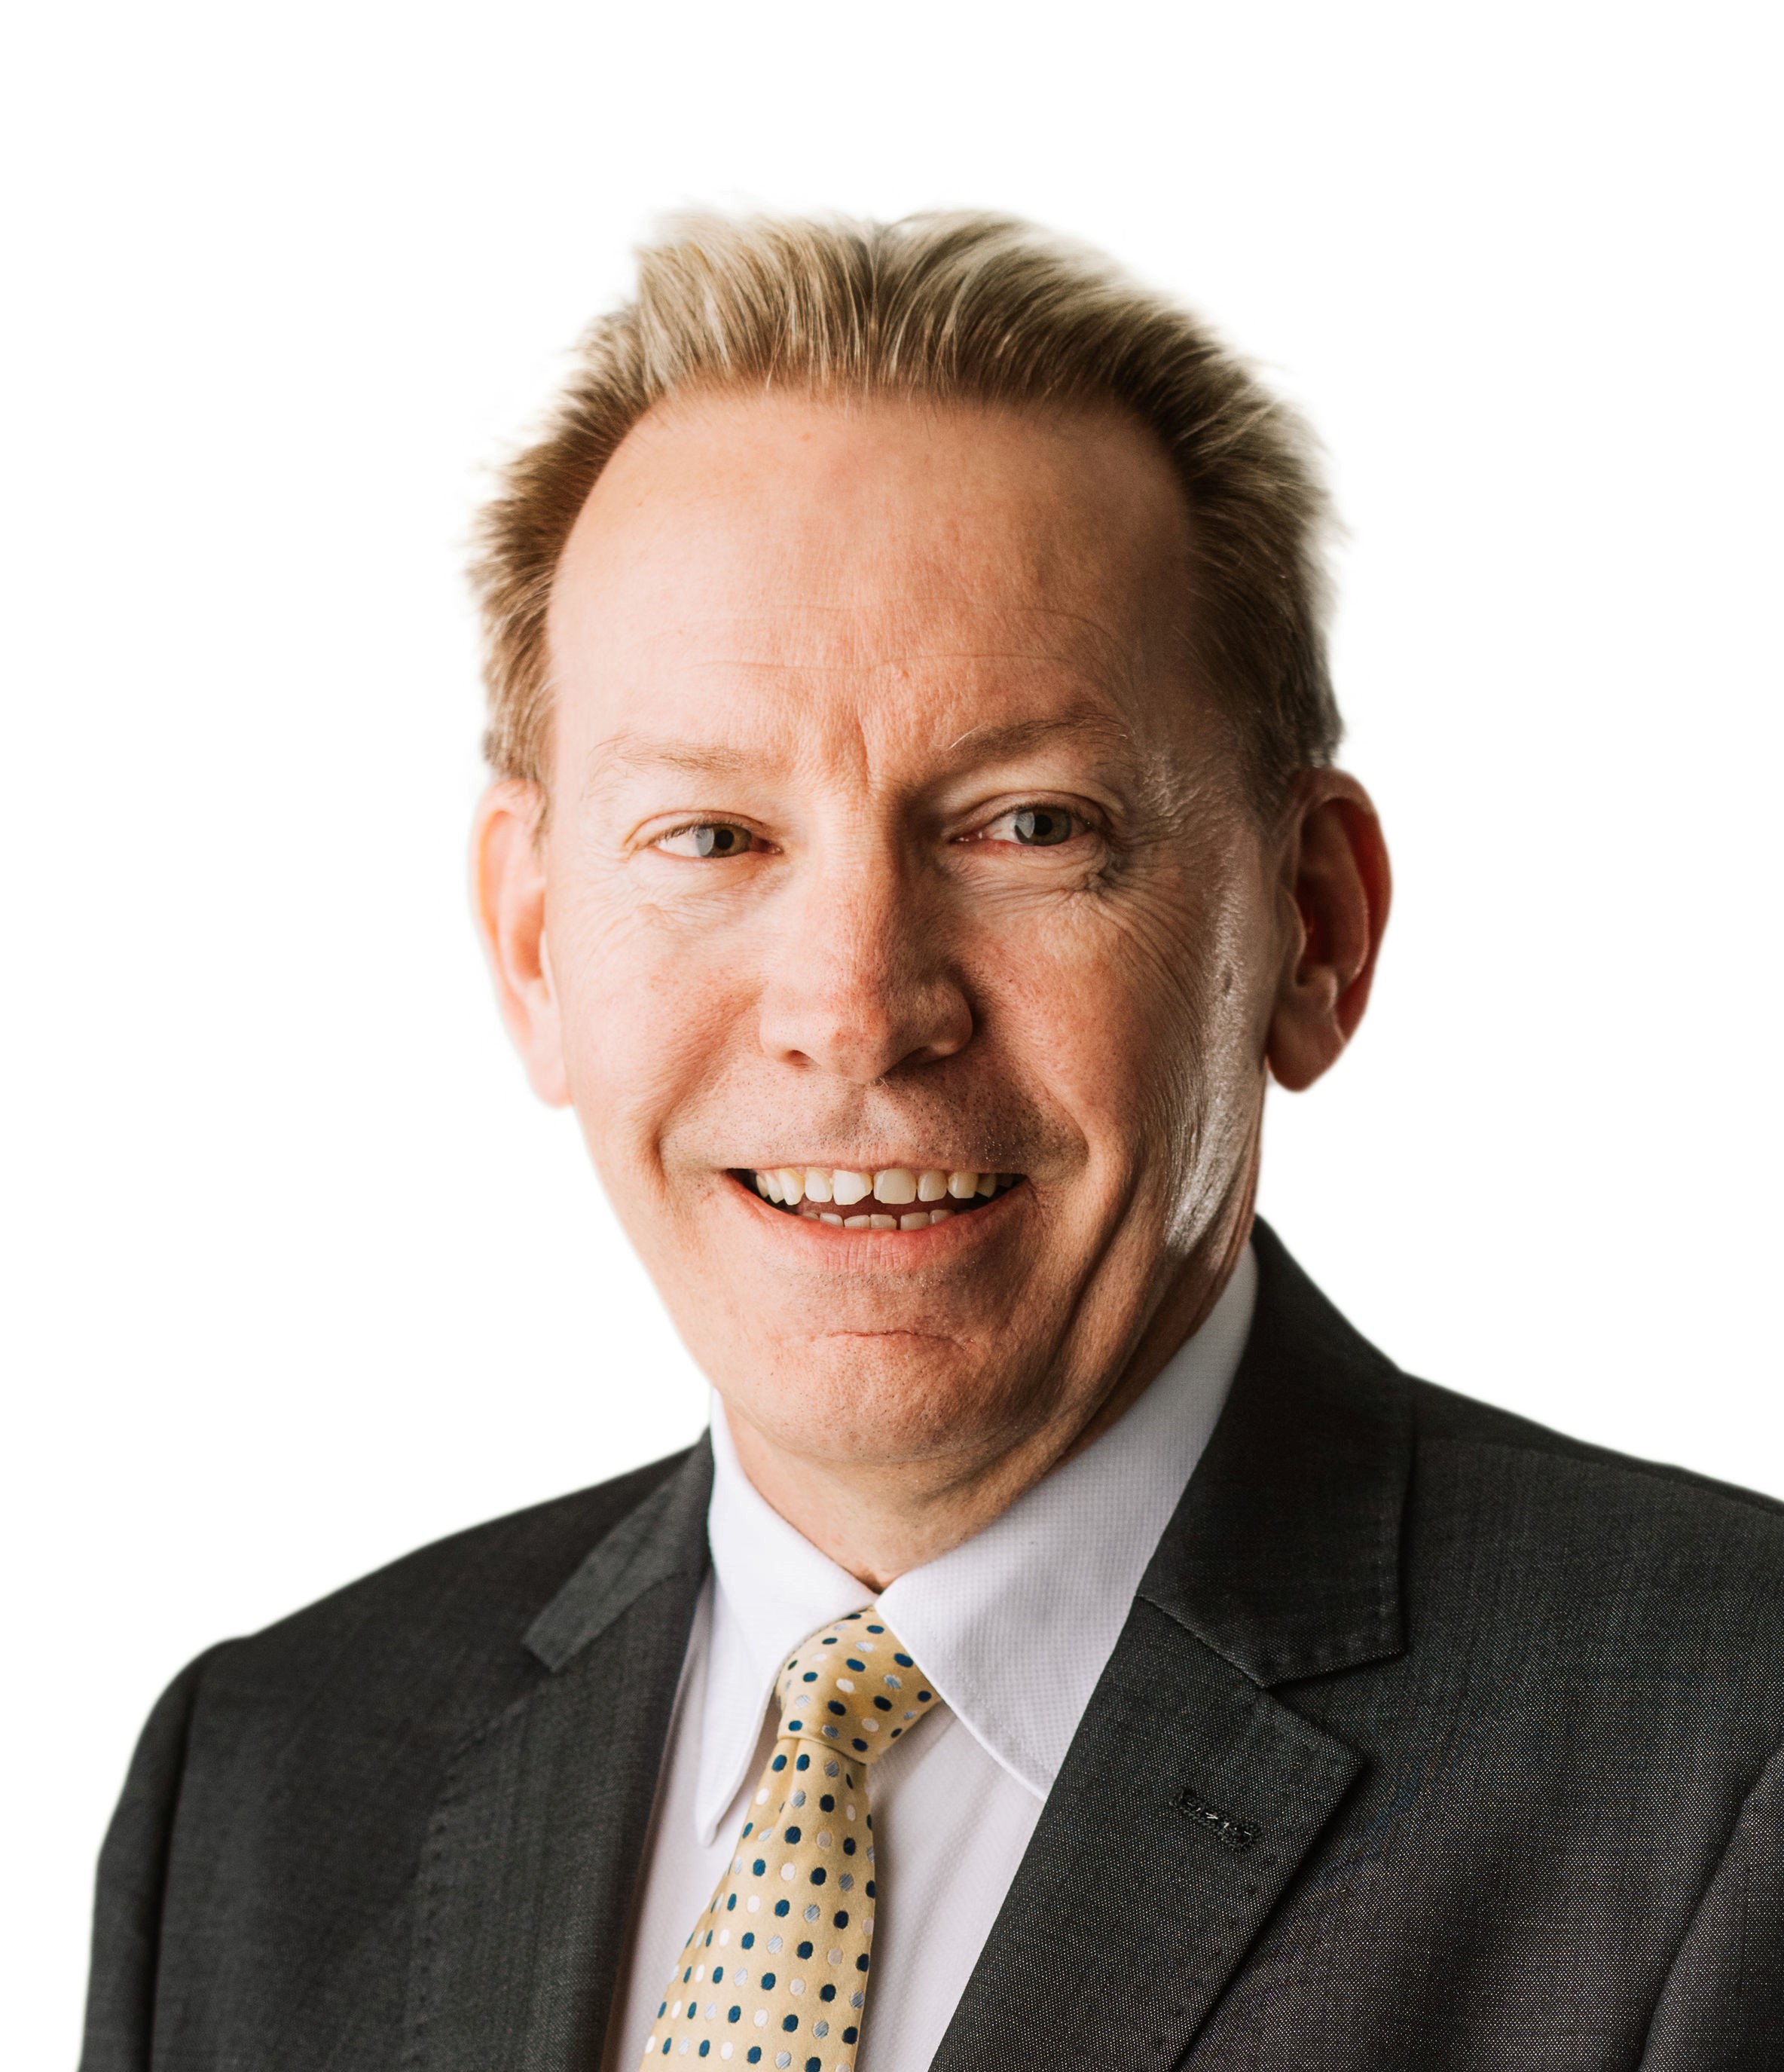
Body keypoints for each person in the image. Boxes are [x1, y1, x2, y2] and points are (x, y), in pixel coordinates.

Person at [81, 212, 1784, 2072]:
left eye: (1026, 826)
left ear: (1312, 926)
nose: (858, 1002)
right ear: (530, 942)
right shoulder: (264, 1791)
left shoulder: (1723, 1768)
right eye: (713, 835)